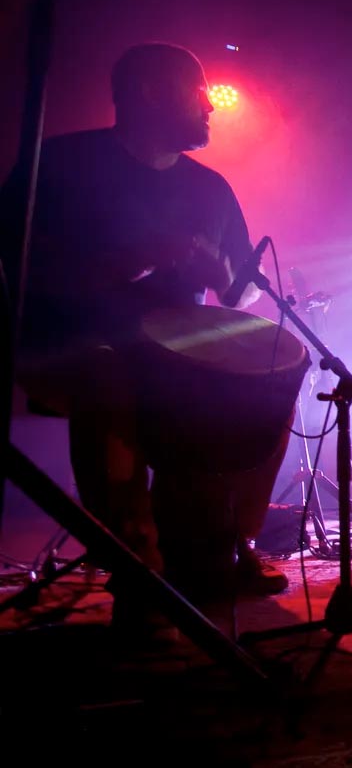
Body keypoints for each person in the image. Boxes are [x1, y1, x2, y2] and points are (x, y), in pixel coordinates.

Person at [0, 43, 291, 639]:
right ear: (151, 92)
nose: (211, 106)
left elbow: (241, 292)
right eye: (198, 91)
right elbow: (17, 262)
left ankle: (224, 543)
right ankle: (139, 572)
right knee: (110, 375)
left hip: (175, 354)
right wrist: (134, 262)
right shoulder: (62, 163)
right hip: (70, 343)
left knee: (273, 371)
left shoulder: (210, 188)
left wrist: (223, 278)